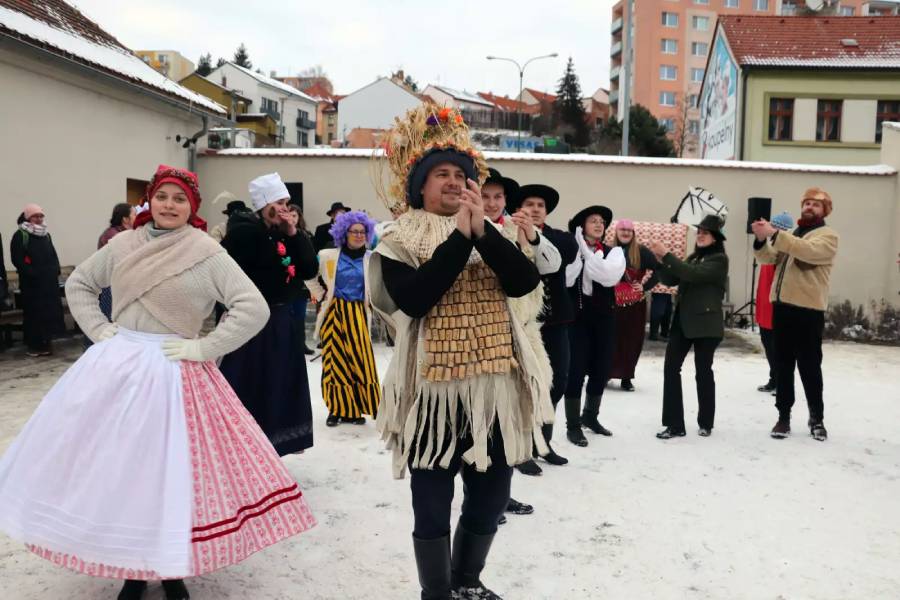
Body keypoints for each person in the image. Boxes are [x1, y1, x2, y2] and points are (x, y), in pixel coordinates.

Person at [0, 165, 315, 600]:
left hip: (174, 370)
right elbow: (80, 284)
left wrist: (204, 348)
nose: (170, 205)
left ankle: (170, 569)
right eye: (163, 197)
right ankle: (133, 567)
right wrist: (100, 330)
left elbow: (252, 307)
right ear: (151, 201)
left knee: (171, 472)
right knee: (123, 469)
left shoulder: (205, 251)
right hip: (120, 366)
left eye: (180, 199)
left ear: (192, 207)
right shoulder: (124, 244)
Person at [370, 104, 548, 600]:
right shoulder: (397, 237)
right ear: (419, 187)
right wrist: (459, 240)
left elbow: (523, 281)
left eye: (462, 174)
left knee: (491, 496)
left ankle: (467, 578)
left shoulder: (501, 234)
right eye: (441, 174)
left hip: (496, 387)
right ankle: (436, 589)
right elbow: (414, 297)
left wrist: (482, 232)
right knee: (431, 499)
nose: (453, 181)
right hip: (432, 392)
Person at [219, 173, 319, 456]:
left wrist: (293, 234)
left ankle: (271, 451)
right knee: (254, 387)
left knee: (279, 387)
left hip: (279, 322)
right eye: (281, 203)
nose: (287, 209)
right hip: (252, 327)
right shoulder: (245, 232)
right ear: (265, 204)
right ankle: (246, 450)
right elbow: (263, 272)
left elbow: (309, 270)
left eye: (288, 203)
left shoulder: (278, 232)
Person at [482, 169, 561, 477]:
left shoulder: (516, 227)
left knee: (520, 401)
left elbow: (552, 265)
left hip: (522, 331)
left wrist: (532, 235)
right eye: (486, 196)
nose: (491, 203)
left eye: (497, 197)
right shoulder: (466, 227)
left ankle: (504, 482)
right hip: (484, 332)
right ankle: (488, 491)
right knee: (490, 410)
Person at [752, 188, 839, 441]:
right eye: (807, 203)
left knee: (810, 366)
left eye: (816, 204)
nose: (810, 207)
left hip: (808, 311)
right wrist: (760, 239)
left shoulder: (828, 236)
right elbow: (768, 258)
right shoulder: (791, 236)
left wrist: (775, 233)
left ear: (825, 211)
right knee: (783, 365)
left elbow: (808, 251)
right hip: (783, 309)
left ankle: (816, 418)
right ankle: (783, 417)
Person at [510, 183, 578, 467]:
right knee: (526, 385)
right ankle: (524, 447)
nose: (535, 209)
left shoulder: (560, 238)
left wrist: (534, 236)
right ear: (518, 209)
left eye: (540, 205)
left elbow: (569, 253)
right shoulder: (507, 233)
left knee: (558, 381)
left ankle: (544, 443)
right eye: (529, 204)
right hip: (523, 324)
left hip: (556, 321)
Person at [650, 215, 729, 439]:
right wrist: (659, 261)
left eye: (705, 232)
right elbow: (671, 279)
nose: (700, 235)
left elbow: (691, 275)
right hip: (682, 323)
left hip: (706, 324)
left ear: (715, 238)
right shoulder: (693, 258)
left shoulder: (719, 259)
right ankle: (675, 424)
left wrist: (667, 254)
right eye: (699, 232)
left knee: (703, 372)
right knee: (671, 368)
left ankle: (706, 422)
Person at [305, 210, 381, 427]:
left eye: (362, 231)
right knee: (334, 363)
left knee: (360, 362)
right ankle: (336, 409)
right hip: (334, 313)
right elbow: (310, 277)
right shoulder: (328, 255)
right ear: (343, 233)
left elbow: (377, 286)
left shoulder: (371, 259)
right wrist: (322, 296)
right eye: (353, 231)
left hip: (358, 314)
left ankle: (355, 409)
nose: (358, 235)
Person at [563, 205, 626, 446]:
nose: (599, 225)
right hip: (576, 318)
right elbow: (568, 278)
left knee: (602, 368)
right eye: (593, 221)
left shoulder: (613, 252)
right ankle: (573, 425)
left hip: (604, 317)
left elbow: (608, 276)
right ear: (582, 226)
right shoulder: (571, 251)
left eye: (602, 221)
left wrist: (587, 256)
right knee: (576, 371)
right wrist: (578, 254)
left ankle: (590, 416)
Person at [610, 220, 660, 392]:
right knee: (610, 338)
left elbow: (658, 270)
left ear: (633, 233)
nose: (625, 233)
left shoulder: (642, 251)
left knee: (631, 340)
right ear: (616, 232)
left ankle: (626, 377)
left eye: (629, 231)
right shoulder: (609, 250)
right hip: (612, 302)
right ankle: (606, 373)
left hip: (634, 305)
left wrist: (644, 287)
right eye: (622, 230)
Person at [9, 204, 65, 357]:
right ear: (28, 218)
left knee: (48, 314)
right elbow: (17, 260)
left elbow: (53, 255)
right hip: (32, 285)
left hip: (48, 283)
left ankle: (47, 343)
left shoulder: (46, 235)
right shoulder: (20, 235)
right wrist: (33, 274)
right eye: (35, 216)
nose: (39, 219)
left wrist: (55, 270)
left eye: (41, 216)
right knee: (35, 315)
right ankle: (34, 346)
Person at [287, 204, 315, 355]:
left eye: (295, 216)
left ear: (299, 218)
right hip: (285, 280)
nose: (292, 219)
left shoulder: (306, 235)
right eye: (289, 215)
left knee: (300, 315)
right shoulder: (280, 235)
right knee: (286, 316)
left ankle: (301, 344)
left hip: (301, 281)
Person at [755, 263, 777, 393]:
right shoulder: (766, 252)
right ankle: (774, 379)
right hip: (764, 304)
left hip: (775, 307)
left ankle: (782, 383)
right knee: (768, 345)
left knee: (778, 349)